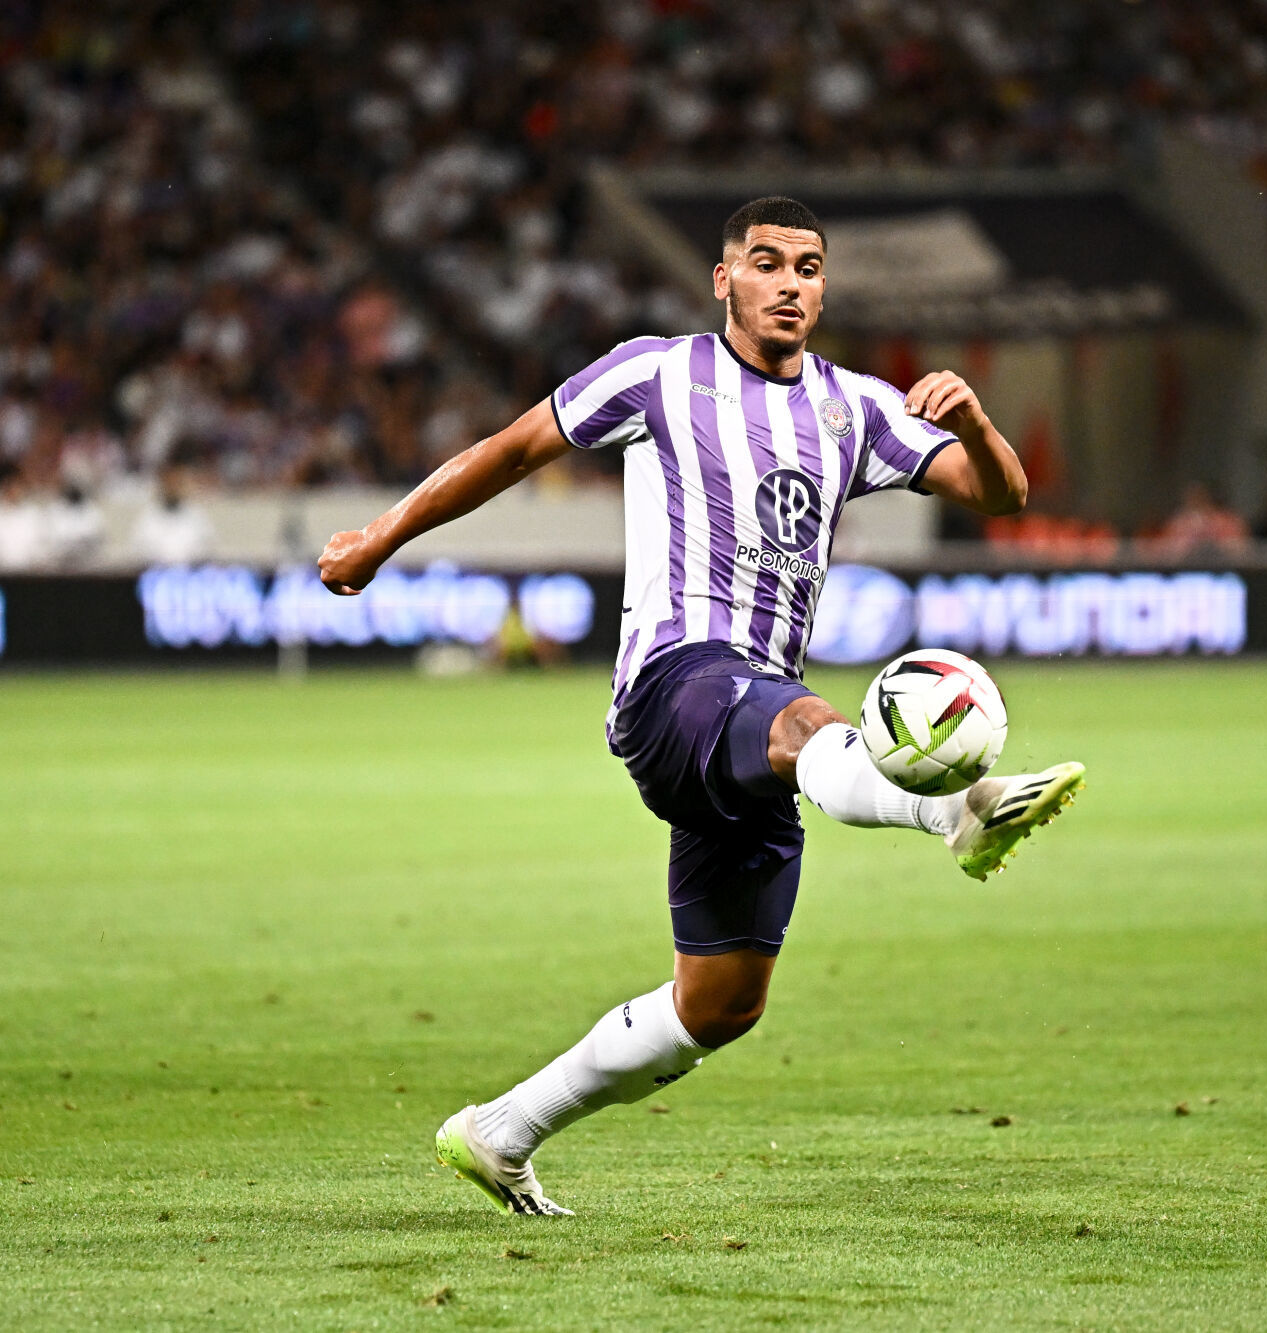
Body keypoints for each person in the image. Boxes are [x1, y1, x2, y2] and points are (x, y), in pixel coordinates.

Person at [316, 197, 1086, 1215]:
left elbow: (1000, 495)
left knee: (719, 1003)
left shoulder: (852, 407)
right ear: (724, 280)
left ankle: (501, 1130)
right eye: (765, 264)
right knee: (806, 720)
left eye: (807, 267)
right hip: (674, 685)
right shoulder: (655, 373)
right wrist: (381, 536)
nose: (788, 284)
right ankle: (958, 806)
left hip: (752, 727)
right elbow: (510, 448)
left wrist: (977, 425)